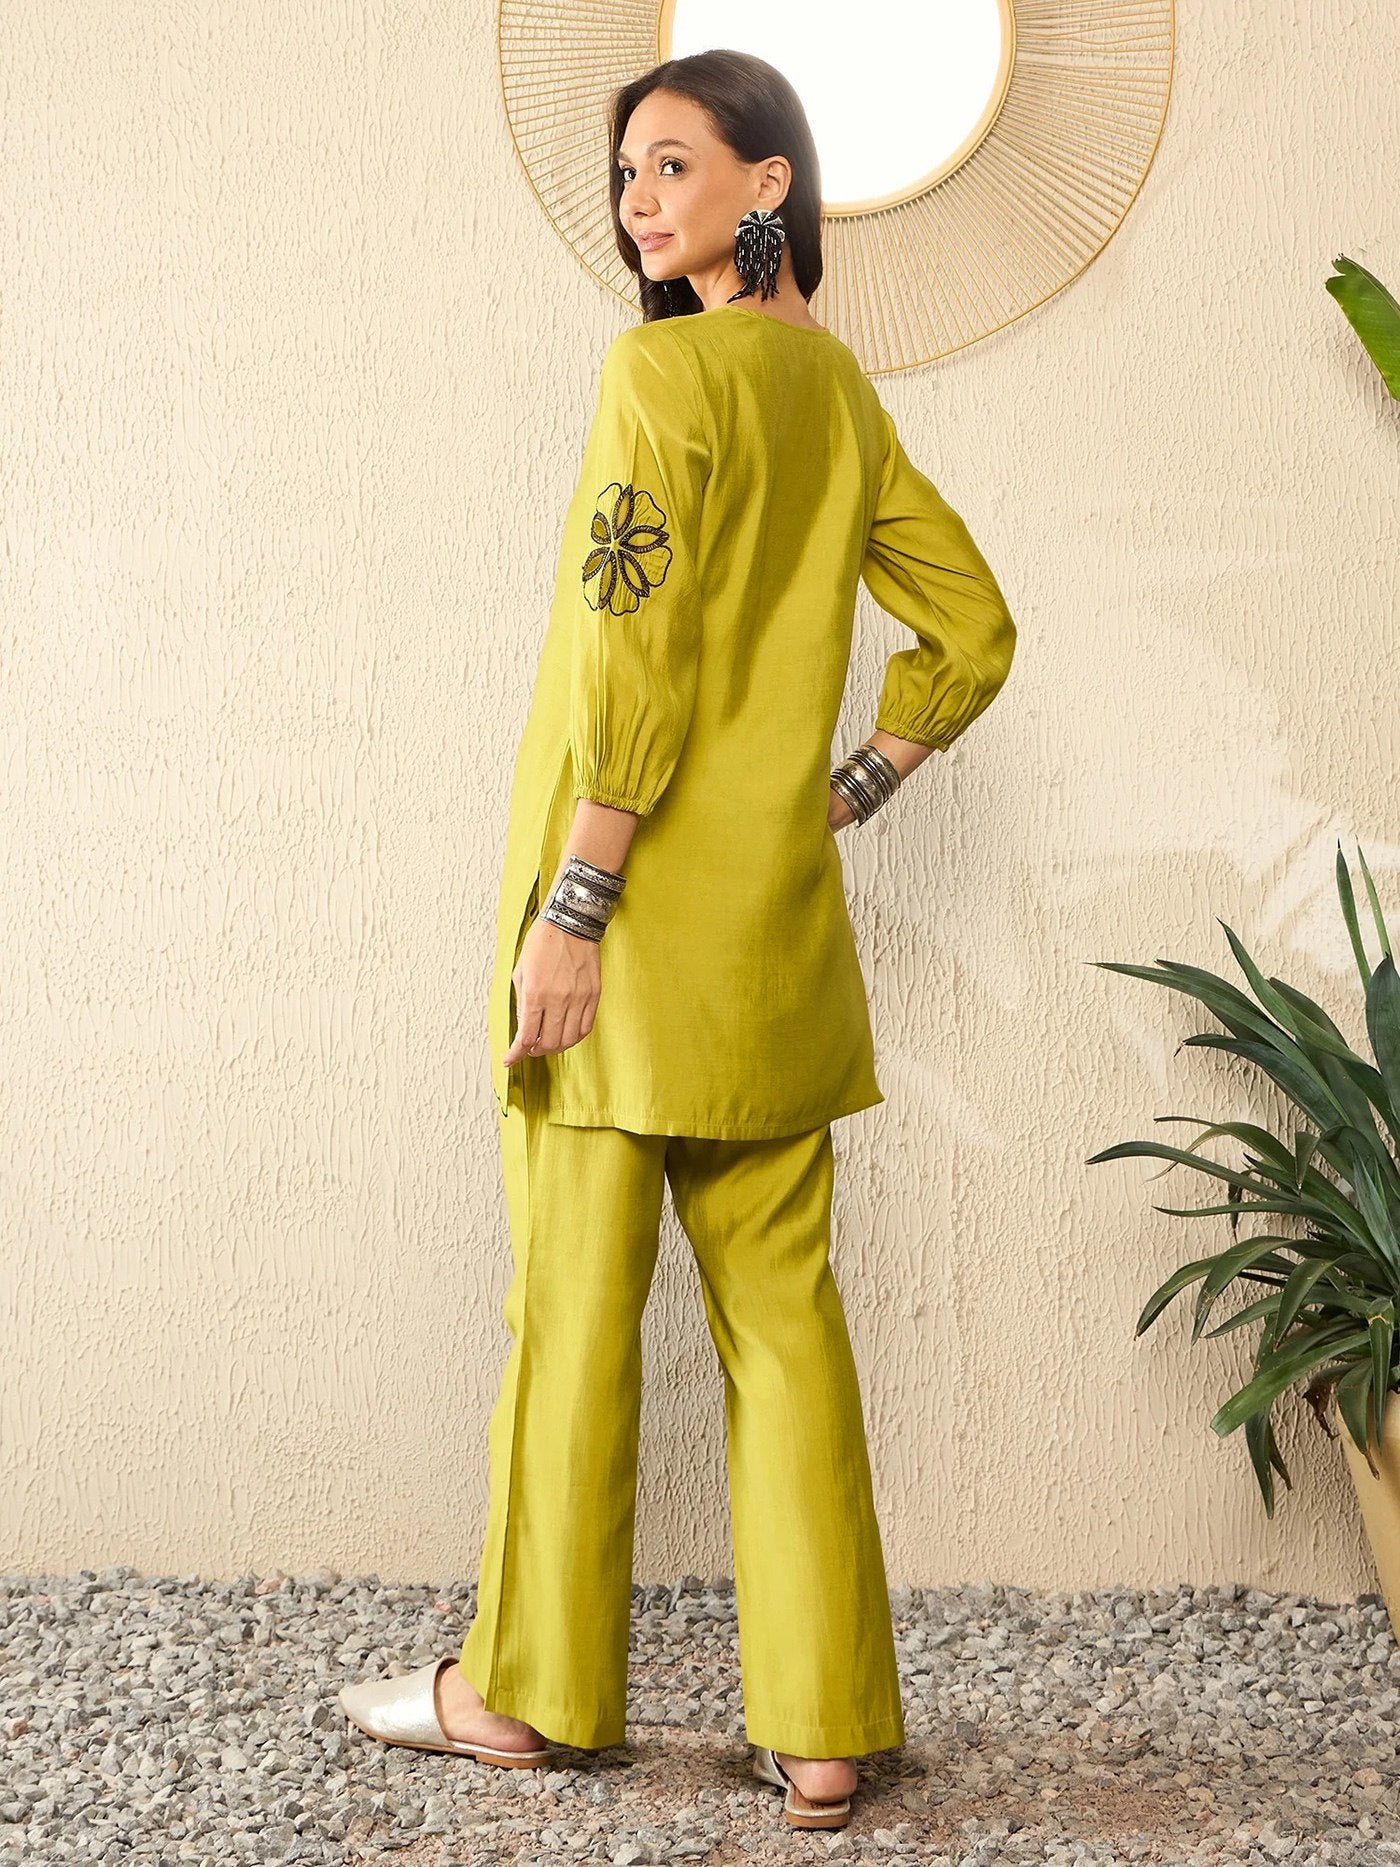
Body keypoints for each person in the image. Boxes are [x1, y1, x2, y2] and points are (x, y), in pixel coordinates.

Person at [339, 48, 1016, 1834]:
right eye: (627, 173)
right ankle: (824, 1730)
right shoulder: (836, 393)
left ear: (768, 185)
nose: (640, 201)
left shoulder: (660, 373)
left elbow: (629, 657)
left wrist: (574, 907)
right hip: (773, 937)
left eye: (674, 164)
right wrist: (853, 786)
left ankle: (525, 1693)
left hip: (625, 927)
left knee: (573, 1309)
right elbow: (972, 626)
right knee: (785, 1322)